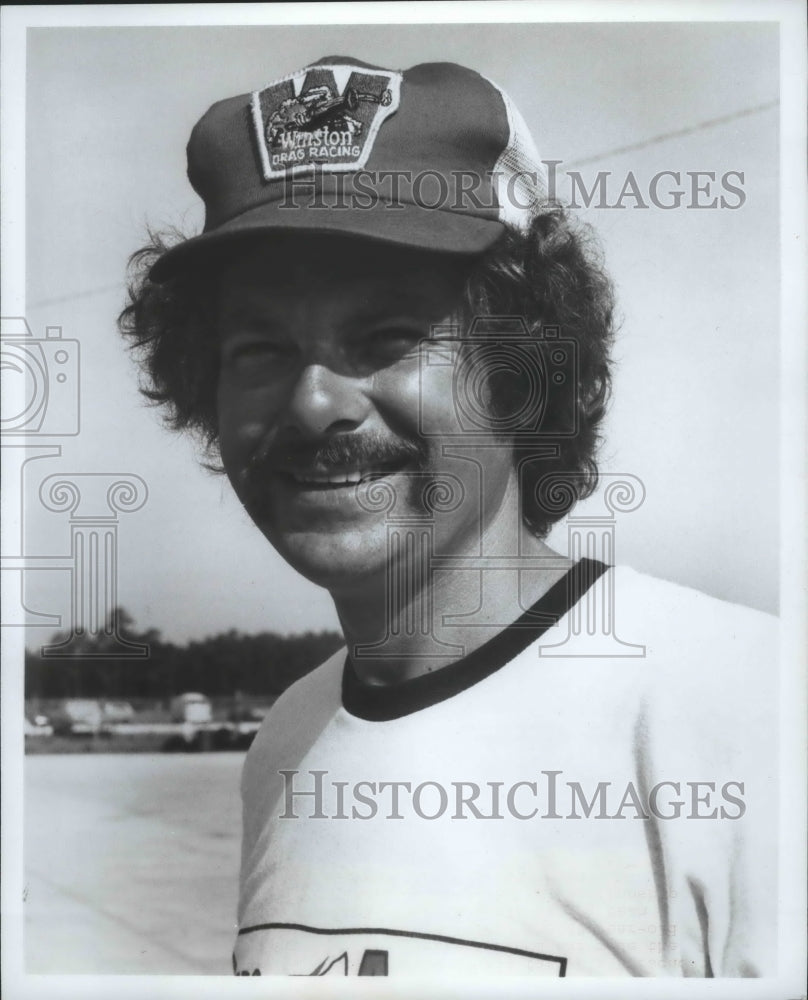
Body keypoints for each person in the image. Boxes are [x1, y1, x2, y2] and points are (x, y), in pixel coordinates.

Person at [120, 56, 777, 978]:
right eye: (260, 348)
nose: (316, 404)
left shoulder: (749, 712)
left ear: (527, 369)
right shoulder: (286, 742)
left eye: (390, 338)